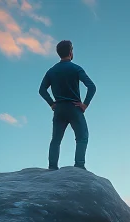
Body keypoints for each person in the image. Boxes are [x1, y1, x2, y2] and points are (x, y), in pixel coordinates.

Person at [39, 40, 97, 170]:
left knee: (56, 140)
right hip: (74, 108)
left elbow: (42, 90)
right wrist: (85, 104)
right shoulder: (76, 68)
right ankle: (79, 166)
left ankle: (52, 167)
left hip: (59, 109)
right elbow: (92, 87)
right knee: (82, 137)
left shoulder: (51, 71)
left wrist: (52, 103)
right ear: (70, 52)